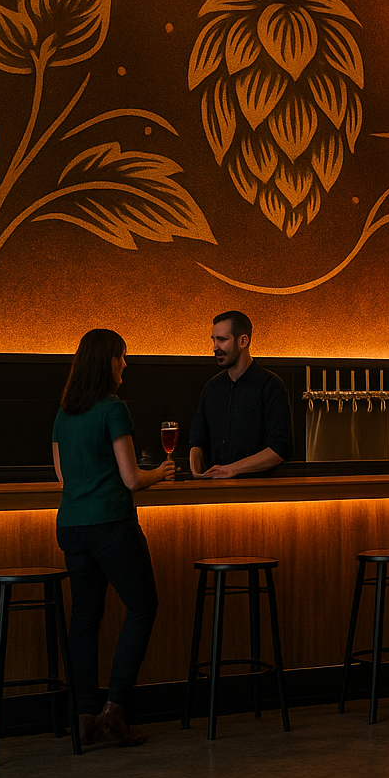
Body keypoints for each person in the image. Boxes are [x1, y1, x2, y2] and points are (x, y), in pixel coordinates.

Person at [51, 328, 175, 747]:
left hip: (71, 526)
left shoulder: (64, 413)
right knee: (142, 606)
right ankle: (114, 711)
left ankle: (85, 715)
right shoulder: (113, 408)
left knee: (85, 620)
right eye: (121, 356)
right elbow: (132, 479)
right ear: (107, 362)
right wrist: (161, 473)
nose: (125, 364)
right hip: (110, 525)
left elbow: (63, 477)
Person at [189, 311, 292, 478]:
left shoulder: (271, 386)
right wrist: (196, 471)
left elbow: (280, 449)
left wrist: (232, 469)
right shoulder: (212, 388)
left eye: (222, 340)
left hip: (257, 488)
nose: (215, 347)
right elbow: (197, 440)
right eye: (214, 340)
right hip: (216, 487)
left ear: (243, 341)